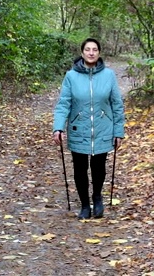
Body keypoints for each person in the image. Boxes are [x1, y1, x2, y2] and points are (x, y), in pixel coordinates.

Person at [52, 38, 125, 220]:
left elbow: (117, 104)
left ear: (99, 53)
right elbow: (64, 104)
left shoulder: (108, 75)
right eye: (87, 49)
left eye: (94, 49)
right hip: (79, 128)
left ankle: (97, 197)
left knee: (99, 167)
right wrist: (58, 127)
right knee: (80, 168)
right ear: (82, 52)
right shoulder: (71, 76)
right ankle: (85, 204)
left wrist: (118, 131)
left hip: (102, 128)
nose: (91, 52)